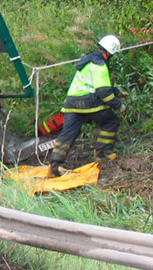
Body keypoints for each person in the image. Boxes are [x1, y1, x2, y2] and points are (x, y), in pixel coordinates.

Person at [48, 34, 124, 177]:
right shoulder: (100, 65)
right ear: (109, 53)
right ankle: (102, 153)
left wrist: (116, 91)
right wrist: (118, 105)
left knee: (68, 133)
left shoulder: (87, 62)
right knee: (110, 121)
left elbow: (92, 84)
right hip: (89, 103)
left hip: (71, 103)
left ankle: (54, 166)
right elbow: (102, 91)